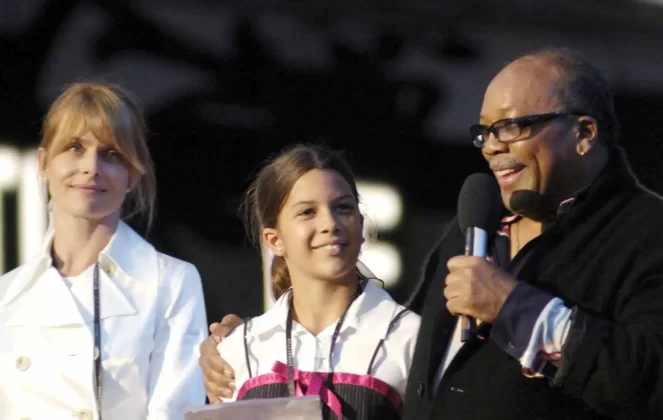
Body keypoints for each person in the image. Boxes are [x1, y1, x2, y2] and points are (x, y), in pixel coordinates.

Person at [199, 47, 663, 419]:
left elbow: (651, 379)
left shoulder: (644, 233)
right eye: (484, 133)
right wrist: (250, 341)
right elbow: (410, 353)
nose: (493, 147)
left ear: (583, 133)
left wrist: (516, 308)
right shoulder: (476, 227)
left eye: (513, 126)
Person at [0, 82, 208, 419]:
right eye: (74, 147)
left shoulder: (170, 283)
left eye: (111, 154)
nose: (91, 167)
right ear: (43, 162)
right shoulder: (7, 294)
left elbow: (175, 410)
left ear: (133, 174)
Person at [213, 144, 420, 419]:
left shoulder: (408, 337)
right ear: (275, 241)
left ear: (361, 226)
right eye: (307, 212)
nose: (330, 223)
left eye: (342, 207)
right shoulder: (240, 348)